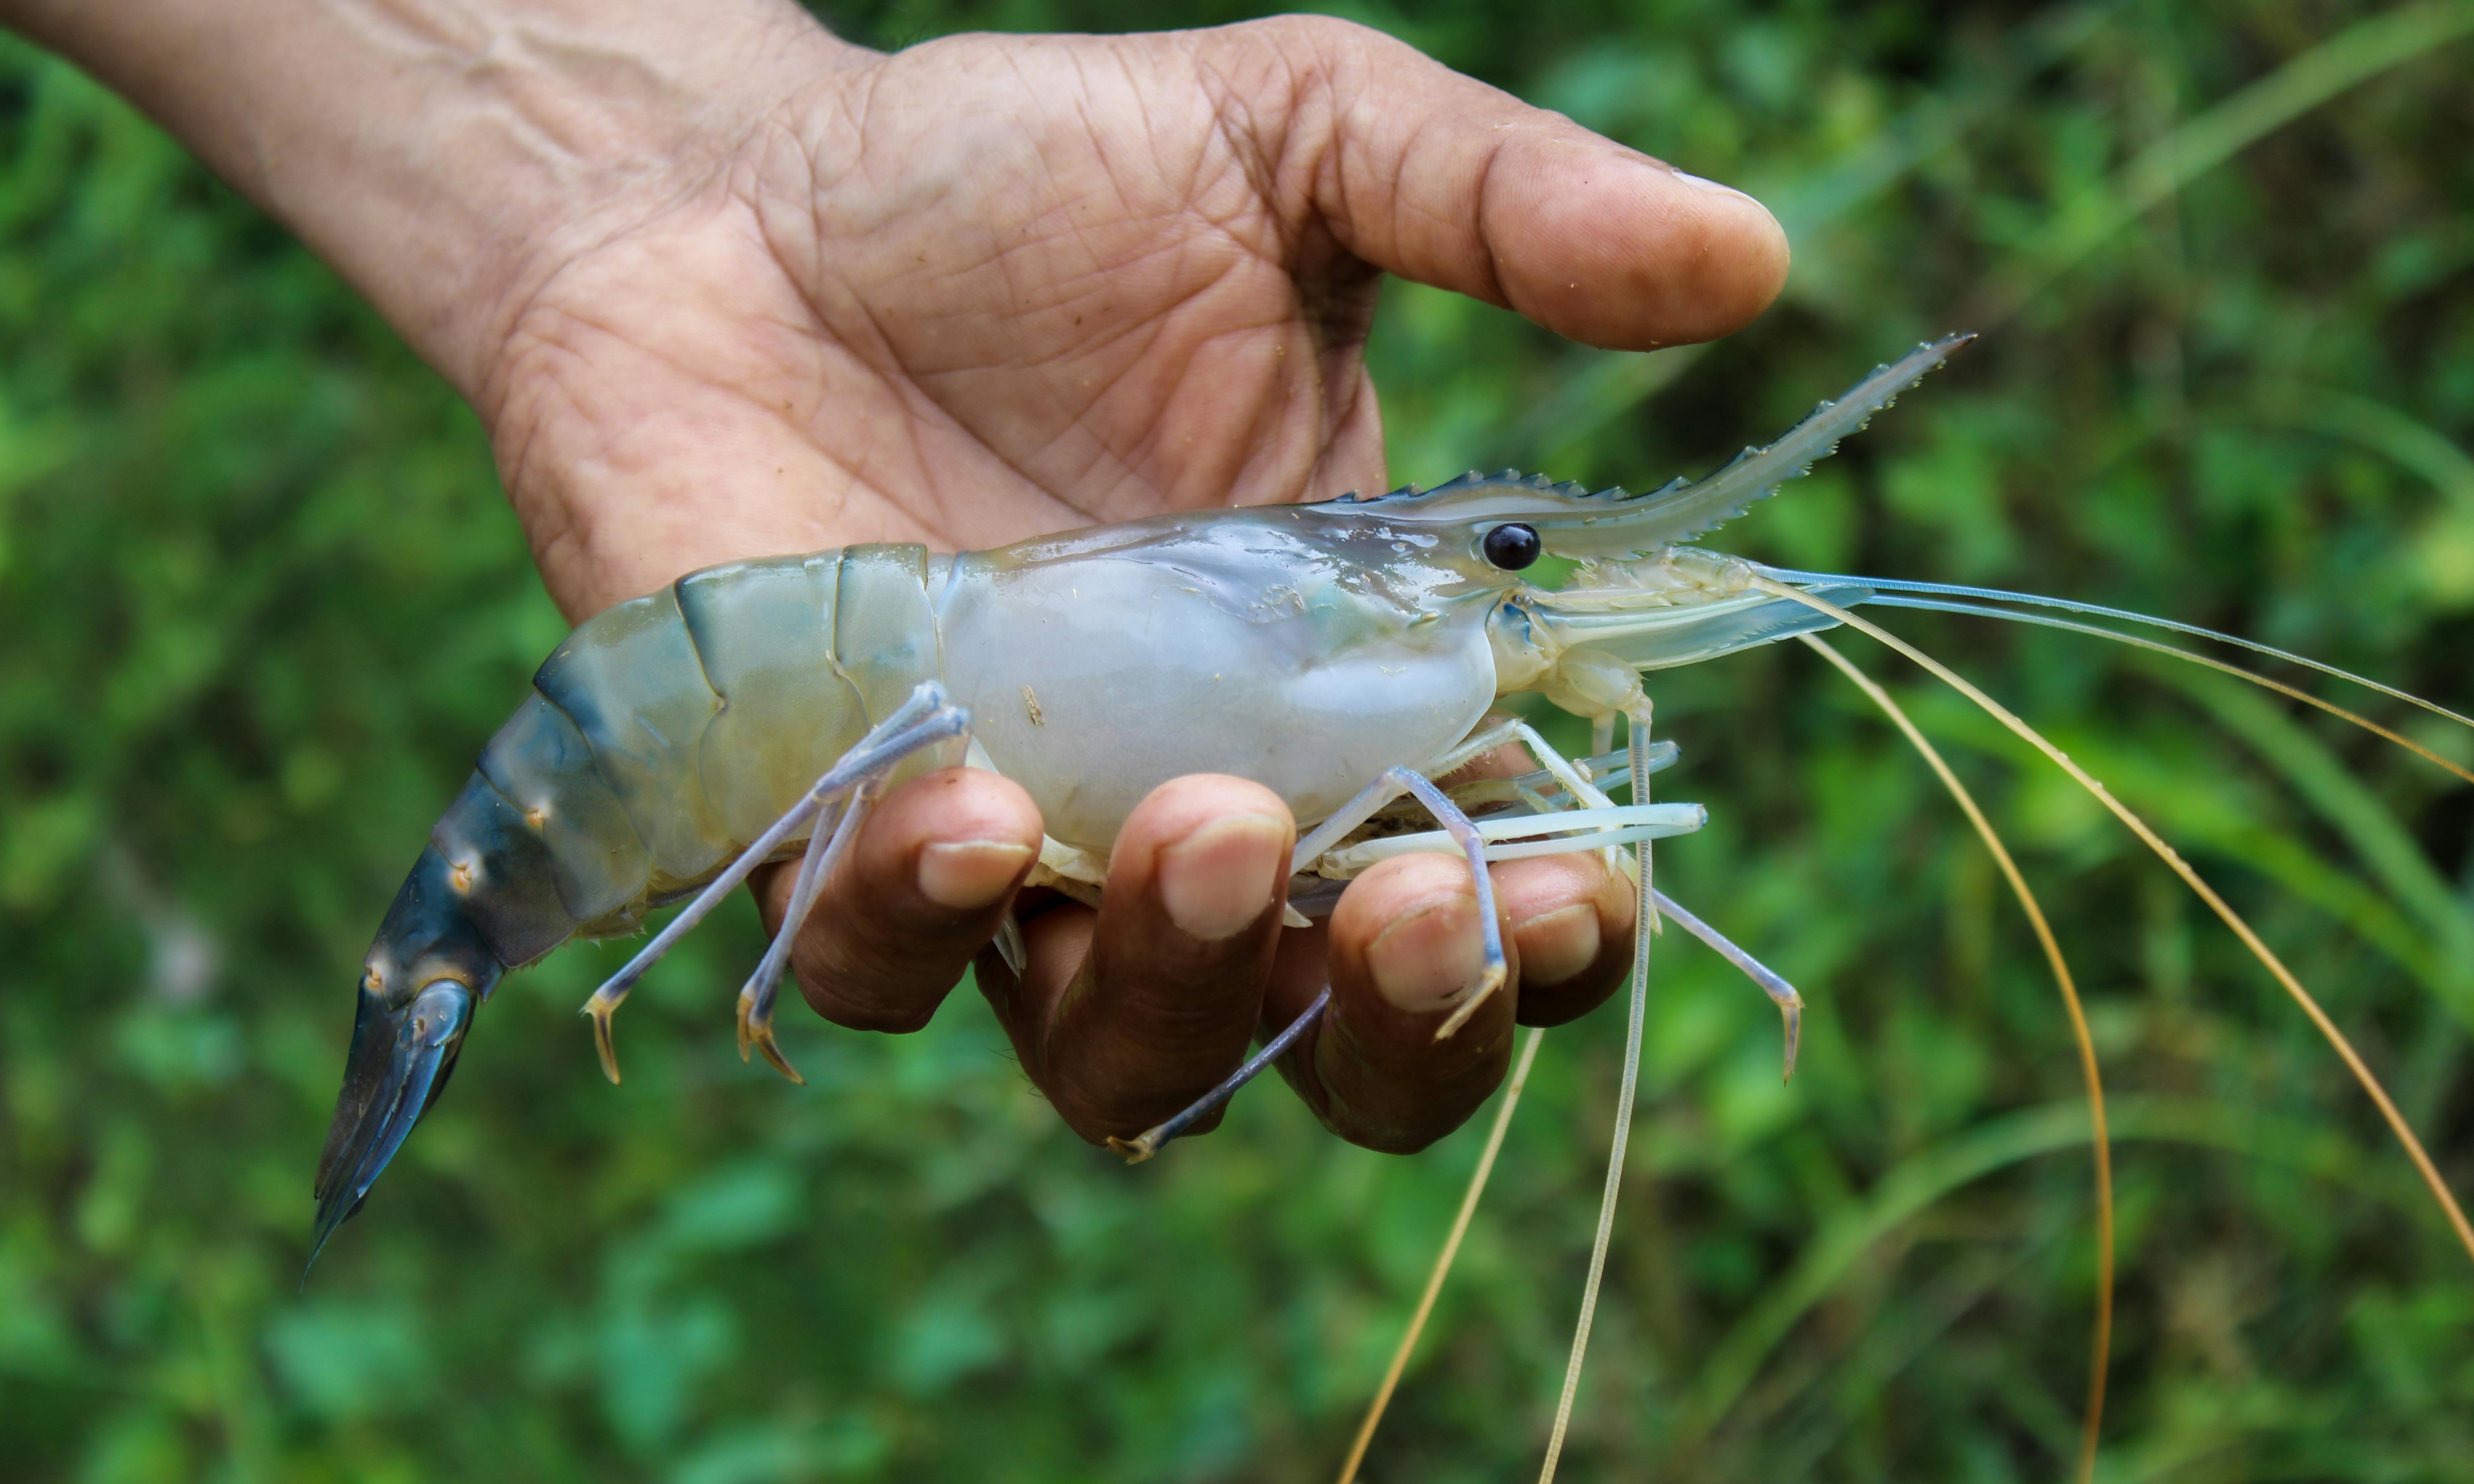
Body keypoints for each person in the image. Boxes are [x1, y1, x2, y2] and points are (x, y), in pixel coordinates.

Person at [4, 0, 1788, 1152]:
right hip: (732, 684)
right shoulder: (1361, 627)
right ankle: (480, 953)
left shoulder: (1414, 622)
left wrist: (642, 193)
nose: (1510, 588)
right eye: (1495, 561)